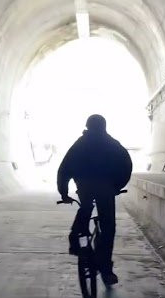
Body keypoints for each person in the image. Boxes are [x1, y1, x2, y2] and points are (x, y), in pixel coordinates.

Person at [57, 114, 133, 285]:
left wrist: (64, 193)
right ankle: (105, 270)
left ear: (87, 126)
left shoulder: (79, 145)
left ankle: (76, 240)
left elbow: (64, 169)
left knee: (85, 208)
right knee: (108, 227)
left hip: (85, 187)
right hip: (106, 189)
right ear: (104, 127)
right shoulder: (112, 144)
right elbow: (126, 165)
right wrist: (117, 186)